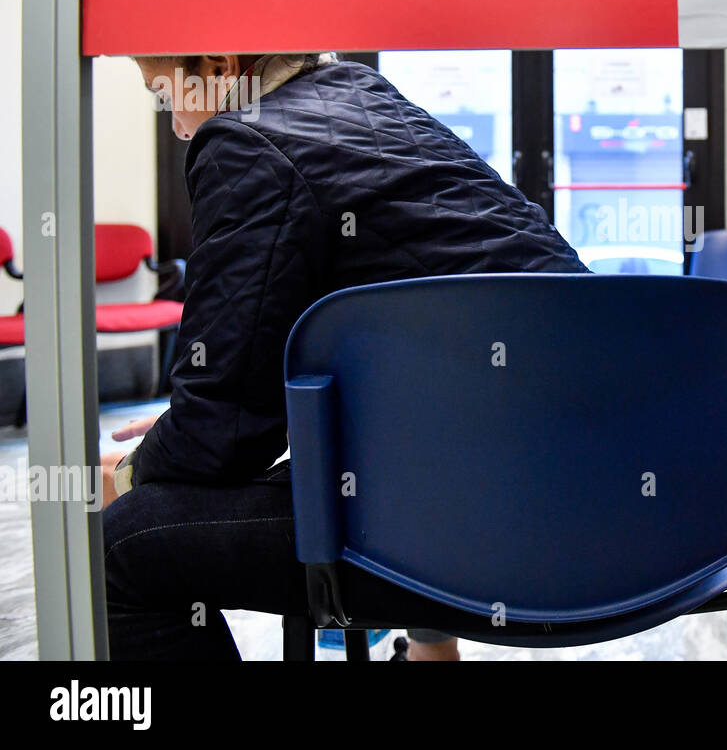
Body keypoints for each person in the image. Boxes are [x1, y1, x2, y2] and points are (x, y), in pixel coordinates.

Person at [100, 52, 588, 660]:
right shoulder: (359, 96)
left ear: (219, 66)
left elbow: (221, 441)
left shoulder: (246, 141)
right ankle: (432, 652)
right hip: (601, 492)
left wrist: (133, 470)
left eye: (164, 94)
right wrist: (202, 420)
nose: (174, 124)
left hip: (501, 526)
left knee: (121, 546)